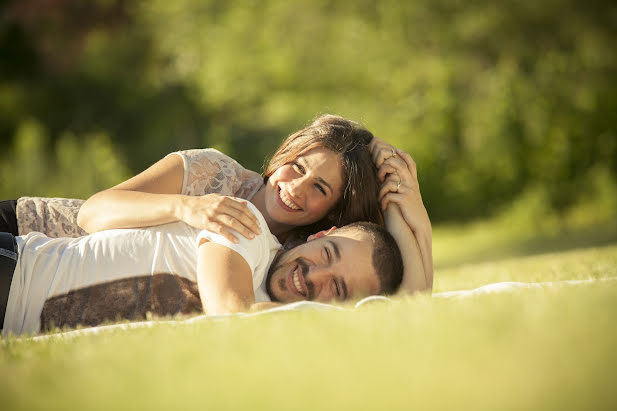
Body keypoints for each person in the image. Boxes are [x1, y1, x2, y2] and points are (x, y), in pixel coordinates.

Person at [1, 114, 433, 295]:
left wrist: (411, 215)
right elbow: (91, 214)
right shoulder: (211, 172)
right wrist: (185, 207)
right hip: (28, 236)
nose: (295, 189)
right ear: (282, 155)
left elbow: (411, 302)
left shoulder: (302, 261)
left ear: (332, 215)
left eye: (319, 189)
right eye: (297, 167)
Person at [0, 200, 404, 336]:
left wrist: (414, 221)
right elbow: (230, 314)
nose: (314, 277)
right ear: (320, 235)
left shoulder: (279, 318)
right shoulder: (246, 226)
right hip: (12, 273)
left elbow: (414, 311)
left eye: (338, 289)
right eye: (328, 255)